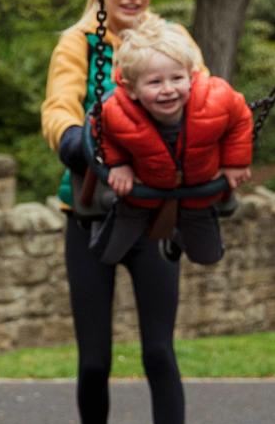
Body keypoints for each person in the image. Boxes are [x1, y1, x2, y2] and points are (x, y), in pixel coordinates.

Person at [40, 0, 210, 424]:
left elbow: (204, 93)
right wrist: (79, 141)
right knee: (94, 358)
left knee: (160, 353)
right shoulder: (78, 43)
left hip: (157, 214)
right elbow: (58, 105)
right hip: (88, 213)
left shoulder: (176, 41)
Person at [91, 15, 253, 266]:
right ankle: (115, 217)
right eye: (155, 82)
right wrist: (118, 164)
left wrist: (236, 161)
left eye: (176, 79)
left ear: (191, 76)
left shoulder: (217, 99)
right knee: (107, 254)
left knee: (208, 257)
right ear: (131, 89)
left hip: (197, 192)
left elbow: (241, 118)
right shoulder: (115, 112)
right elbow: (100, 133)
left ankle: (176, 237)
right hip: (142, 191)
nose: (168, 89)